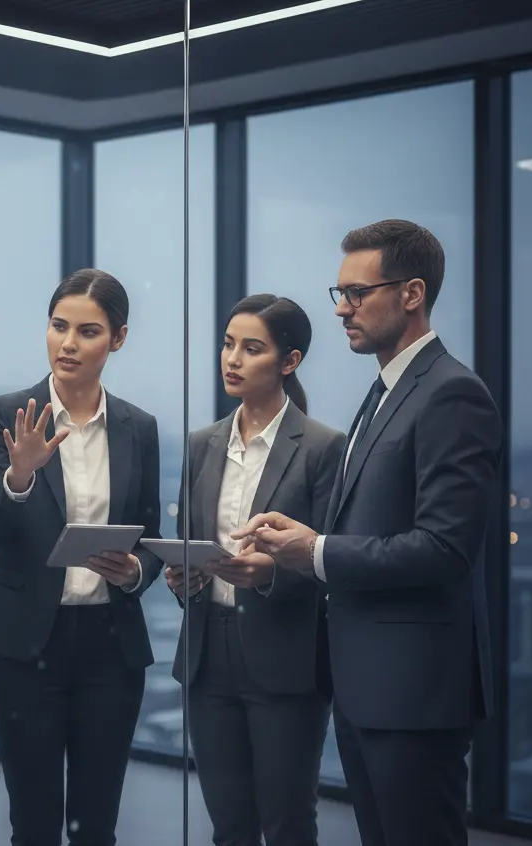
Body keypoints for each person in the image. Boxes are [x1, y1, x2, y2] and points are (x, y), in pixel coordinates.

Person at [234, 220, 502, 846]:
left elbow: (445, 549)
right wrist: (304, 538)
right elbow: (372, 521)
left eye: (358, 293)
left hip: (414, 692)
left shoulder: (451, 393)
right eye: (340, 293)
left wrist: (317, 550)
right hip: (366, 687)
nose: (343, 310)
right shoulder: (386, 390)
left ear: (412, 293)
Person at [0, 269, 163, 846]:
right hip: (26, 646)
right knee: (33, 822)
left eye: (88, 331)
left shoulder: (139, 428)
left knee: (97, 824)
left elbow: (148, 534)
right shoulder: (9, 413)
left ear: (118, 339)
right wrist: (19, 475)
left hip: (110, 644)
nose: (69, 344)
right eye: (59, 327)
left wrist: (136, 573)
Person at [167, 294, 344, 846]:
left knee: (288, 822)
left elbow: (329, 561)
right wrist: (183, 576)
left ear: (289, 362)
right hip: (207, 654)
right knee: (229, 825)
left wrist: (269, 574)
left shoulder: (322, 448)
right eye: (227, 344)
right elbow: (188, 542)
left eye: (251, 348)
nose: (232, 359)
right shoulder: (200, 445)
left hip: (286, 655)